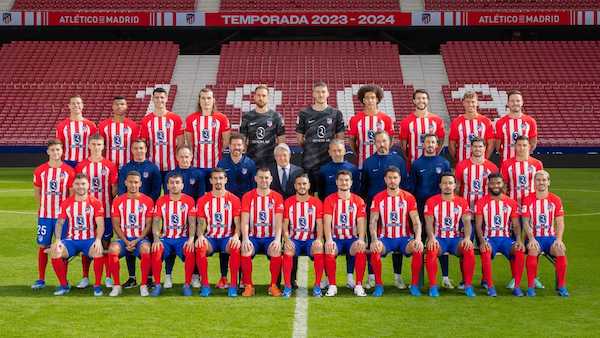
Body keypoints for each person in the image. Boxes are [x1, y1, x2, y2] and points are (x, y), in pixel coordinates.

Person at [361, 131, 409, 289]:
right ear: (374, 143)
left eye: (384, 141)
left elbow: (405, 184)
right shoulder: (368, 162)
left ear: (390, 141)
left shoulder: (399, 161)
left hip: (396, 209)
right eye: (378, 142)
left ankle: (397, 277)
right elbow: (364, 187)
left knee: (397, 240)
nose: (382, 144)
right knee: (372, 242)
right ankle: (372, 277)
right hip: (374, 209)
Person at [369, 167, 424, 297]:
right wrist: (374, 239)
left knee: (418, 248)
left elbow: (416, 221)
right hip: (385, 238)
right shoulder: (378, 198)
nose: (392, 181)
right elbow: (373, 221)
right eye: (390, 178)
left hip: (404, 238)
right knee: (375, 249)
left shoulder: (408, 197)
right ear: (385, 180)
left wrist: (418, 238)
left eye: (395, 178)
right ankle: (378, 285)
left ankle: (414, 285)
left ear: (400, 179)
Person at [49, 173, 105, 296]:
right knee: (55, 250)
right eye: (77, 184)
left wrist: (98, 239)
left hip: (89, 240)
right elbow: (59, 223)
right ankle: (64, 285)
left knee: (98, 251)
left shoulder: (95, 202)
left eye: (83, 184)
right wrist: (58, 239)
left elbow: (100, 224)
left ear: (88, 185)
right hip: (71, 241)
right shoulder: (66, 203)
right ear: (73, 186)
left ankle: (97, 286)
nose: (80, 187)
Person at [74, 134, 118, 289]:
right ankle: (85, 277)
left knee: (105, 244)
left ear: (103, 146)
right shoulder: (81, 166)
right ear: (88, 146)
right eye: (93, 144)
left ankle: (107, 277)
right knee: (85, 242)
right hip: (86, 213)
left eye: (99, 144)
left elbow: (114, 190)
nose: (96, 147)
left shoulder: (110, 165)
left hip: (105, 212)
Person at [31, 139, 75, 290]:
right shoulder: (40, 171)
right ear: (48, 152)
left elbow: (71, 195)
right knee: (43, 245)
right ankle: (41, 279)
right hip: (45, 216)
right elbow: (37, 192)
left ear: (62, 151)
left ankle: (63, 281)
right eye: (53, 150)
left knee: (60, 247)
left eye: (58, 150)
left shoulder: (69, 171)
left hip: (62, 218)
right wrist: (43, 208)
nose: (56, 153)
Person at [117, 138, 161, 288]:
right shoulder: (125, 168)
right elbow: (121, 189)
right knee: (128, 242)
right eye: (136, 148)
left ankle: (148, 277)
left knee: (145, 245)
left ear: (146, 149)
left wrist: (147, 204)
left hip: (146, 211)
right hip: (128, 210)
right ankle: (132, 277)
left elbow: (156, 189)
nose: (139, 151)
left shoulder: (153, 167)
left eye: (141, 148)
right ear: (132, 150)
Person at [410, 133, 453, 288]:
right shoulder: (416, 164)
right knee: (421, 240)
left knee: (441, 239)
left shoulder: (444, 163)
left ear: (437, 145)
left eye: (433, 142)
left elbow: (449, 184)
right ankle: (420, 279)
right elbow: (412, 187)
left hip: (440, 209)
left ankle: (445, 277)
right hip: (421, 208)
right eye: (427, 142)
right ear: (423, 144)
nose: (430, 144)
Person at [424, 173, 475, 297]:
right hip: (439, 239)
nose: (447, 186)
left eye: (450, 183)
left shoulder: (462, 202)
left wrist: (467, 238)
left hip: (455, 239)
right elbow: (428, 222)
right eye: (445, 183)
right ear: (440, 185)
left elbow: (467, 222)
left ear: (455, 185)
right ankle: (433, 286)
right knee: (431, 250)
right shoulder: (431, 201)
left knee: (469, 250)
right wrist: (431, 238)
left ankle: (468, 286)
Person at [474, 173, 525, 297]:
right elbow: (478, 226)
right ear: (488, 185)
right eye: (492, 183)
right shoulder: (481, 202)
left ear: (503, 184)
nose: (495, 186)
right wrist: (482, 241)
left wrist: (518, 240)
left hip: (506, 239)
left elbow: (516, 225)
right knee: (485, 251)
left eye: (498, 183)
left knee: (519, 251)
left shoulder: (511, 202)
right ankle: (490, 287)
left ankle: (516, 286)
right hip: (489, 238)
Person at [216, 132, 256, 288]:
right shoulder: (222, 163)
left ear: (244, 147)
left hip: (244, 210)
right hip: (226, 209)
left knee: (242, 243)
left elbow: (254, 189)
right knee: (226, 240)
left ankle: (241, 278)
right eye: (234, 145)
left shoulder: (250, 164)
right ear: (229, 146)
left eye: (239, 145)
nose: (237, 147)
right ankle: (224, 276)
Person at [195, 168, 242, 298]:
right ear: (210, 180)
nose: (218, 181)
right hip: (211, 238)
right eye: (215, 178)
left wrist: (236, 236)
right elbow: (201, 223)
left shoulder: (234, 199)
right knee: (199, 247)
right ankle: (205, 285)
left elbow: (237, 223)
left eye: (221, 178)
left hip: (227, 238)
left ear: (226, 180)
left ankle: (232, 286)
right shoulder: (203, 200)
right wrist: (200, 236)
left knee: (235, 246)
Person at [521, 170, 569, 297]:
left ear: (548, 182)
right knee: (532, 250)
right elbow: (525, 222)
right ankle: (531, 287)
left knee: (560, 250)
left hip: (550, 238)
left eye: (544, 180)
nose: (541, 182)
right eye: (538, 180)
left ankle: (561, 286)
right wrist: (531, 239)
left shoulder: (556, 200)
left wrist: (558, 240)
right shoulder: (527, 199)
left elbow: (560, 223)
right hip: (534, 237)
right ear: (534, 183)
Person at [107, 171, 154, 297]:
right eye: (130, 182)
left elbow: (149, 225)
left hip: (140, 239)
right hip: (124, 239)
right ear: (125, 183)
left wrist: (137, 240)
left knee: (145, 248)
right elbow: (116, 224)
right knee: (112, 249)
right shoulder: (118, 201)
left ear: (140, 184)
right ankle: (117, 285)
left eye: (136, 182)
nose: (133, 185)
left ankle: (143, 285)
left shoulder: (148, 201)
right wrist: (126, 240)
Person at [239, 168, 285, 297]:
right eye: (261, 177)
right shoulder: (248, 196)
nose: (263, 180)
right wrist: (246, 238)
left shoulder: (277, 197)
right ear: (255, 179)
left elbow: (278, 221)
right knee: (245, 250)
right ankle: (248, 285)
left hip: (270, 237)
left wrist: (277, 239)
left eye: (266, 177)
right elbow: (245, 221)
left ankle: (273, 285)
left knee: (276, 250)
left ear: (271, 179)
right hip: (253, 237)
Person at [150, 172, 197, 297]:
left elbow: (192, 222)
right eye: (171, 183)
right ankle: (157, 285)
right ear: (167, 185)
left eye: (177, 183)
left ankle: (187, 284)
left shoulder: (189, 200)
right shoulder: (161, 201)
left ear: (182, 185)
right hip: (166, 238)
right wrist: (156, 239)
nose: (174, 185)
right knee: (156, 250)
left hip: (182, 238)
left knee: (190, 251)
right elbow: (156, 222)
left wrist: (191, 239)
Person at [322, 170, 368, 297]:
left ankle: (358, 285)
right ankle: (332, 285)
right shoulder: (329, 199)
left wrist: (361, 239)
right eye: (341, 180)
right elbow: (327, 222)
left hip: (351, 239)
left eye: (347, 180)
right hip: (336, 239)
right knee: (330, 249)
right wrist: (329, 239)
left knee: (360, 247)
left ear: (351, 182)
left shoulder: (358, 200)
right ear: (336, 182)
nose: (344, 182)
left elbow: (361, 222)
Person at [296, 81, 345, 190]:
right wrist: (311, 148)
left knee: (328, 190)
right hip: (309, 161)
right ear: (313, 94)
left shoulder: (336, 113)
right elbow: (299, 138)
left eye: (323, 92)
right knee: (310, 192)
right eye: (317, 92)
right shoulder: (304, 113)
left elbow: (340, 138)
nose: (320, 95)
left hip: (329, 160)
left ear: (328, 93)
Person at [282, 174, 324, 297]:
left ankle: (317, 286)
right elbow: (285, 224)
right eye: (299, 184)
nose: (302, 186)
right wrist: (286, 239)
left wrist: (318, 239)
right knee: (288, 250)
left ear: (309, 186)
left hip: (310, 239)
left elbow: (320, 224)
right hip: (295, 239)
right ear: (295, 186)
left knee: (319, 248)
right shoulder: (289, 202)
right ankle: (288, 286)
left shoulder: (316, 202)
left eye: (304, 184)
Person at [185, 87, 230, 180]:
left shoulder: (222, 118)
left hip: (216, 166)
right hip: (196, 165)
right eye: (203, 98)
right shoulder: (190, 119)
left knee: (215, 193)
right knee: (198, 193)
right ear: (199, 100)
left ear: (213, 100)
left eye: (209, 98)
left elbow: (226, 142)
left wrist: (216, 152)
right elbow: (189, 143)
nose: (206, 101)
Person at [139, 87, 184, 178]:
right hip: (152, 165)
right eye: (157, 97)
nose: (159, 100)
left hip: (173, 165)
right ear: (152, 99)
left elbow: (181, 143)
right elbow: (143, 143)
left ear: (166, 98)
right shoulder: (146, 120)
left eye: (162, 97)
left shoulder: (175, 119)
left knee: (172, 192)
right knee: (153, 192)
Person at [347, 84, 394, 169]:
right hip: (362, 163)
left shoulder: (386, 119)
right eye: (367, 98)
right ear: (363, 100)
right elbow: (351, 141)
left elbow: (390, 139)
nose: (370, 100)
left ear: (377, 99)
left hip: (383, 163)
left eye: (372, 97)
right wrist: (358, 153)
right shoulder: (355, 119)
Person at [239, 85, 285, 167]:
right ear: (254, 97)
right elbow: (243, 141)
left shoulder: (276, 116)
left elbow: (281, 142)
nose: (261, 98)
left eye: (264, 96)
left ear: (268, 97)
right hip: (251, 161)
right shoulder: (247, 117)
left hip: (271, 162)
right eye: (258, 95)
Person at [399, 89, 445, 167]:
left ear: (428, 100)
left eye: (424, 98)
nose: (421, 100)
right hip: (413, 164)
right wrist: (408, 158)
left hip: (432, 163)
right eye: (418, 98)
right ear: (414, 101)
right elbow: (403, 145)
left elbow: (440, 141)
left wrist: (435, 154)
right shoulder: (406, 121)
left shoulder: (437, 120)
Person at [455, 137, 498, 213]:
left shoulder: (492, 167)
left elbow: (495, 190)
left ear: (485, 148)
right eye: (475, 146)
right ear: (471, 148)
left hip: (486, 209)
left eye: (480, 146)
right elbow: (457, 187)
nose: (477, 149)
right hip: (466, 208)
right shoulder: (461, 165)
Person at [448, 91, 495, 163]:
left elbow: (491, 144)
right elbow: (451, 144)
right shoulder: (456, 122)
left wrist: (484, 159)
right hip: (462, 162)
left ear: (477, 103)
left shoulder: (486, 121)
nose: (470, 104)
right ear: (463, 103)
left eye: (473, 102)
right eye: (467, 102)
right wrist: (457, 160)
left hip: (481, 163)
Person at [495, 90, 538, 164]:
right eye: (512, 101)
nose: (515, 103)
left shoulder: (530, 121)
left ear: (522, 102)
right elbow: (498, 146)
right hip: (506, 163)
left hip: (525, 164)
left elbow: (533, 143)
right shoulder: (500, 122)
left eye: (518, 101)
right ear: (508, 103)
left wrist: (524, 153)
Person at [55, 95, 97, 168]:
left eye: (78, 103)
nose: (76, 105)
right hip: (68, 162)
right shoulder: (62, 126)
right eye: (73, 103)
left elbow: (95, 145)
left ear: (82, 105)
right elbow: (58, 146)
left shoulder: (91, 125)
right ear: (69, 106)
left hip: (86, 161)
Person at [500, 136, 543, 206]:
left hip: (532, 204)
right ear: (515, 146)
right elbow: (503, 185)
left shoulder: (537, 164)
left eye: (524, 145)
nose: (521, 148)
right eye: (519, 145)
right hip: (513, 203)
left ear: (529, 146)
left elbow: (540, 185)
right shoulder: (506, 164)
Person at [98, 96, 139, 169]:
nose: (119, 106)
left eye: (122, 104)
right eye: (116, 104)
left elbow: (135, 146)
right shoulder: (103, 125)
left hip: (128, 165)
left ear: (126, 106)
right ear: (112, 107)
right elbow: (101, 146)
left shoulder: (133, 125)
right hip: (108, 166)